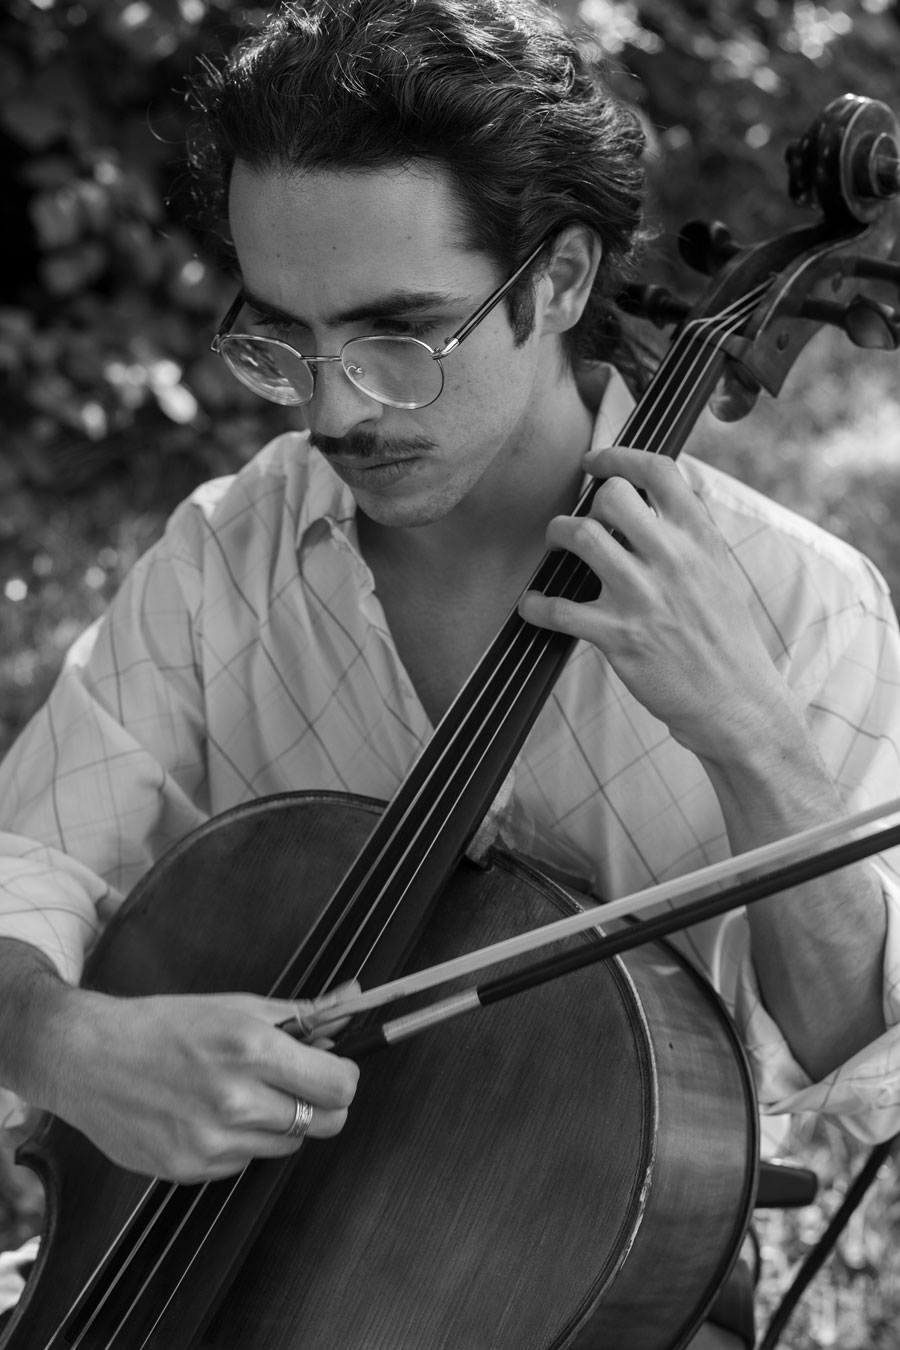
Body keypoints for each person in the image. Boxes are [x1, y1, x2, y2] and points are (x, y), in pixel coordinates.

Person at [1, 0, 900, 1344]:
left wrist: (757, 739)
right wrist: (69, 1046)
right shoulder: (224, 557)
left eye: (399, 336)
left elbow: (846, 1054)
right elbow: (28, 865)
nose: (335, 407)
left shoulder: (794, 603)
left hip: (596, 1293)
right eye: (282, 338)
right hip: (198, 1273)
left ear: (559, 281)